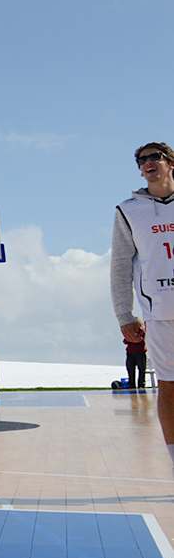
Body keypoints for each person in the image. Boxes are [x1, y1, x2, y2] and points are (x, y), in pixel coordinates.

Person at [111, 141, 174, 470]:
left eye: (154, 157)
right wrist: (124, 312)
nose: (147, 163)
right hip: (160, 312)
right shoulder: (128, 210)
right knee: (169, 387)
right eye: (141, 160)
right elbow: (121, 265)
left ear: (170, 163)